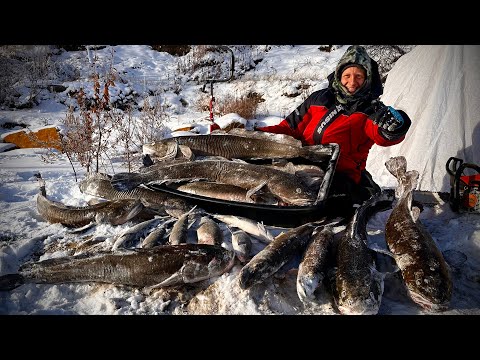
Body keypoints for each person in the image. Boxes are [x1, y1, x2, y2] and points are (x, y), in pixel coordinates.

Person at [255, 45, 411, 213]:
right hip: (300, 166)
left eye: (359, 76)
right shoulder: (319, 98)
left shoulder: (372, 110)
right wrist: (253, 134)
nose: (352, 82)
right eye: (347, 75)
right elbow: (288, 128)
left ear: (367, 78)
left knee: (322, 205)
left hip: (339, 177)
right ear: (338, 75)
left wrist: (396, 127)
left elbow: (382, 135)